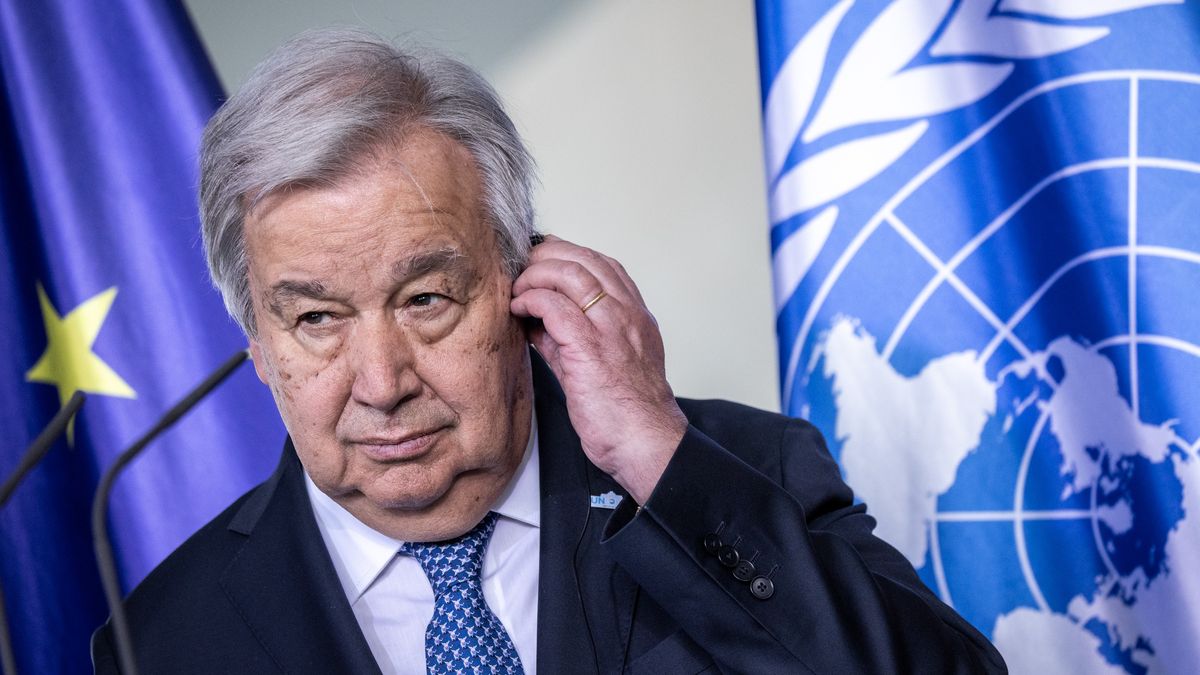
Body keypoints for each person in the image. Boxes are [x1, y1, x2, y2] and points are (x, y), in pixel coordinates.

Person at [92, 27, 1006, 674]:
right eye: (318, 320)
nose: (381, 384)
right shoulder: (163, 638)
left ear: (527, 286)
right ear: (258, 342)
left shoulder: (736, 476)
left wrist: (656, 455)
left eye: (425, 298)